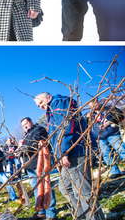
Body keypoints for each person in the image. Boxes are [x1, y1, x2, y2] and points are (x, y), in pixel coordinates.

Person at [34, 92, 104, 220]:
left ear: (49, 98)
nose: (40, 107)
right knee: (65, 187)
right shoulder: (51, 111)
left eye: (41, 103)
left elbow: (66, 126)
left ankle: (94, 218)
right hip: (65, 154)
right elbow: (56, 135)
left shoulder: (59, 103)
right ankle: (82, 216)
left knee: (83, 191)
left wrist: (63, 151)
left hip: (75, 151)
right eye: (38, 106)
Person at [19, 117, 57, 220]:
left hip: (39, 163)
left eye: (26, 124)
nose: (25, 126)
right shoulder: (25, 136)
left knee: (46, 188)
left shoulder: (39, 129)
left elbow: (35, 144)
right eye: (23, 126)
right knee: (36, 189)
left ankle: (51, 214)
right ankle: (41, 211)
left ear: (31, 122)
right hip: (30, 166)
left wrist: (22, 148)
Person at [88, 100, 125, 179]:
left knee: (121, 149)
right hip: (99, 137)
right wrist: (87, 118)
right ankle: (115, 172)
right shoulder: (90, 115)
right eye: (90, 107)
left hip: (112, 134)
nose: (93, 108)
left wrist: (109, 122)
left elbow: (120, 115)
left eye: (94, 105)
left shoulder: (109, 109)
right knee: (106, 154)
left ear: (98, 102)